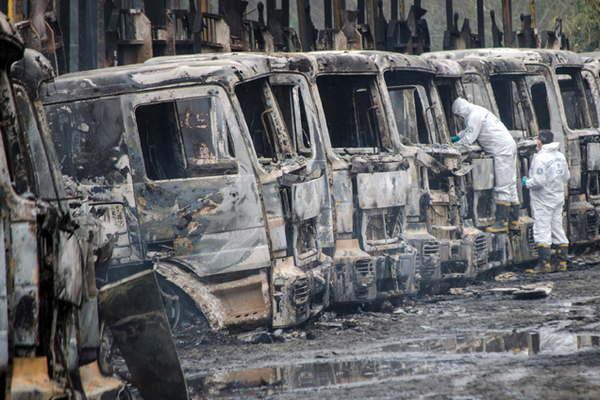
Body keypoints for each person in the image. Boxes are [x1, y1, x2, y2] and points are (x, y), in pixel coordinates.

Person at [451, 97, 519, 233]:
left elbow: (469, 139)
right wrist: (458, 136)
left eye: (458, 115)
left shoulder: (474, 116)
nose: (459, 117)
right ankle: (514, 221)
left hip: (501, 151)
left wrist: (454, 145)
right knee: (510, 185)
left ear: (461, 111)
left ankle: (501, 223)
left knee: (503, 186)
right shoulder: (478, 111)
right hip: (507, 146)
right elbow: (467, 132)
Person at [522, 130, 570, 272]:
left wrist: (526, 182)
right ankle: (562, 263)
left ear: (540, 141)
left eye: (537, 139)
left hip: (543, 199)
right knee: (557, 228)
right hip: (557, 197)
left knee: (541, 229)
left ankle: (544, 264)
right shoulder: (560, 156)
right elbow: (566, 176)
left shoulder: (540, 158)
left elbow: (539, 181)